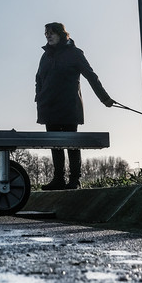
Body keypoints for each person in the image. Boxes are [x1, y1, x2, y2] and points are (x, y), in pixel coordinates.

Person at [34, 22, 116, 190]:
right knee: (55, 145)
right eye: (46, 33)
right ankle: (58, 179)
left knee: (72, 143)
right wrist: (39, 97)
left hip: (69, 106)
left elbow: (91, 76)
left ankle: (75, 179)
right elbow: (38, 78)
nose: (48, 36)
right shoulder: (45, 56)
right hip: (49, 107)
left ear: (61, 34)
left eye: (51, 33)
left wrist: (104, 98)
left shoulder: (75, 53)